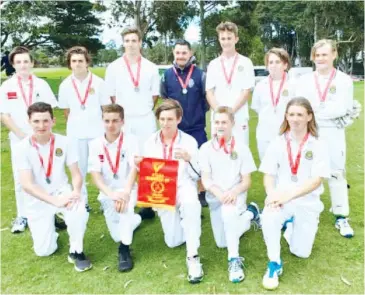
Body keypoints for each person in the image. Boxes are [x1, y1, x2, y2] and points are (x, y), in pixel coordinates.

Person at [259, 97, 330, 290]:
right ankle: (274, 263)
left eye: (300, 114)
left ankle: (290, 226)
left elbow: (316, 180)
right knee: (268, 216)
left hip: (307, 201)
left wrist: (288, 196)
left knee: (301, 252)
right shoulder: (278, 142)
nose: (295, 118)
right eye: (291, 114)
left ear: (309, 116)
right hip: (282, 198)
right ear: (286, 117)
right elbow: (268, 174)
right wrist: (271, 193)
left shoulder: (318, 144)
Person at [15, 102, 92, 272]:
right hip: (38, 197)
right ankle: (52, 226)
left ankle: (76, 251)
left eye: (45, 120)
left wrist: (76, 192)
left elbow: (76, 173)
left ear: (53, 121)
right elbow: (27, 184)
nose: (41, 126)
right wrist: (54, 201)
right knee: (44, 251)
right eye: (36, 121)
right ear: (29, 121)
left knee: (79, 211)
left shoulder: (65, 142)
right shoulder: (21, 148)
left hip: (61, 191)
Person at [135, 99, 204, 283]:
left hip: (183, 184)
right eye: (162, 119)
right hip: (163, 189)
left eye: (170, 119)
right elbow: (148, 174)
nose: (166, 123)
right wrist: (139, 166)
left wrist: (189, 159)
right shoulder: (150, 142)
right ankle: (189, 226)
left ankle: (193, 256)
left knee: (191, 205)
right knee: (172, 242)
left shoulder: (189, 141)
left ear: (179, 119)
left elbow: (198, 175)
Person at [295, 39, 354, 238]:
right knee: (308, 173)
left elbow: (343, 108)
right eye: (317, 55)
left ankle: (341, 216)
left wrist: (318, 111)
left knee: (336, 173)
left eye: (324, 55)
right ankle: (306, 213)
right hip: (310, 132)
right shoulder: (304, 80)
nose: (321, 59)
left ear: (334, 55)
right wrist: (318, 113)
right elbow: (301, 107)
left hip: (333, 133)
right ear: (313, 57)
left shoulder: (344, 80)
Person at [199, 106, 260, 283]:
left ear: (232, 123)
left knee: (228, 213)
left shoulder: (241, 148)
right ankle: (251, 213)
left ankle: (234, 260)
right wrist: (220, 193)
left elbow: (247, 181)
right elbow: (206, 179)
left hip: (235, 196)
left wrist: (233, 192)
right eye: (216, 122)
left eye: (224, 122)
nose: (220, 125)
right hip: (216, 196)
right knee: (221, 242)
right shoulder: (205, 148)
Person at [0, 46, 58, 233]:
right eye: (18, 62)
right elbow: (5, 115)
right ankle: (22, 215)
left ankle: (51, 210)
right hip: (19, 139)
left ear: (31, 63)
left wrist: (42, 132)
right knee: (21, 178)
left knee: (46, 174)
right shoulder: (6, 86)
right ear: (13, 65)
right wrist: (22, 135)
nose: (23, 65)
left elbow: (50, 112)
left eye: (26, 61)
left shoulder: (41, 84)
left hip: (42, 137)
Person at [104, 26, 160, 219]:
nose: (130, 44)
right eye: (127, 41)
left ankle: (149, 202)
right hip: (124, 121)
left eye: (134, 41)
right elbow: (111, 96)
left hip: (145, 118)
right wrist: (122, 117)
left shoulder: (151, 67)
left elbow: (154, 96)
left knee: (147, 159)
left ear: (140, 43)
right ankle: (126, 196)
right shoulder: (113, 67)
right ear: (123, 43)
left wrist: (142, 109)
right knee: (127, 159)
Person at [88, 104, 142, 272]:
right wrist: (112, 194)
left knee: (124, 212)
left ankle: (124, 250)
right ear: (102, 121)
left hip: (128, 190)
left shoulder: (131, 140)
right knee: (116, 234)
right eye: (107, 121)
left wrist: (125, 193)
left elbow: (134, 168)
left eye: (115, 121)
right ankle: (137, 220)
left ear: (122, 122)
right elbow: (95, 175)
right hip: (108, 193)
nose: (111, 125)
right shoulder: (95, 144)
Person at [58, 46, 110, 210]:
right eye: (74, 61)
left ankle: (106, 199)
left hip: (97, 132)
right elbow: (66, 112)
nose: (77, 64)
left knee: (103, 166)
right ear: (69, 64)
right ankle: (83, 201)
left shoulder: (99, 83)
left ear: (87, 62)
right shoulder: (65, 85)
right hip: (76, 134)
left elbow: (106, 108)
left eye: (81, 60)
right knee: (79, 169)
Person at [160, 39, 208, 207]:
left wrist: (197, 114)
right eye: (178, 52)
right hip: (175, 128)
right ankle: (173, 190)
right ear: (174, 53)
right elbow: (165, 100)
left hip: (196, 126)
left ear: (190, 54)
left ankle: (201, 192)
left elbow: (206, 100)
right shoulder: (166, 75)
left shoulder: (200, 74)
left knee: (199, 158)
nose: (181, 56)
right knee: (174, 159)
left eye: (184, 53)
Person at [206, 21, 255, 146]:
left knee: (240, 154)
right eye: (223, 38)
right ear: (219, 39)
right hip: (219, 120)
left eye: (229, 38)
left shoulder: (246, 62)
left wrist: (231, 112)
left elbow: (246, 92)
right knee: (218, 153)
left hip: (238, 116)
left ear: (236, 39)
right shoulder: (213, 64)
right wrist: (220, 113)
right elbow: (209, 92)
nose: (226, 42)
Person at [251, 48, 296, 160]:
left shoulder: (294, 85)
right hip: (264, 135)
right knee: (268, 172)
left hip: (288, 135)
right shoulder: (260, 86)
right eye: (270, 62)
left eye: (277, 62)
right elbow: (257, 108)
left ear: (285, 65)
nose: (273, 65)